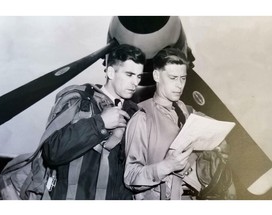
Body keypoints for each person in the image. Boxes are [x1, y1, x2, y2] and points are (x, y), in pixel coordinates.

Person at [124, 47, 234, 200]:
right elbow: (130, 177)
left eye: (183, 78)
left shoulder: (188, 112)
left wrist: (218, 144)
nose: (179, 85)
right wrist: (168, 165)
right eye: (173, 78)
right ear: (156, 75)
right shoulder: (142, 118)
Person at [41, 44, 145, 200]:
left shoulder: (135, 114)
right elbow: (52, 151)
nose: (135, 82)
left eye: (138, 76)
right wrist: (100, 123)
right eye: (129, 74)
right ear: (110, 72)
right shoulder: (80, 101)